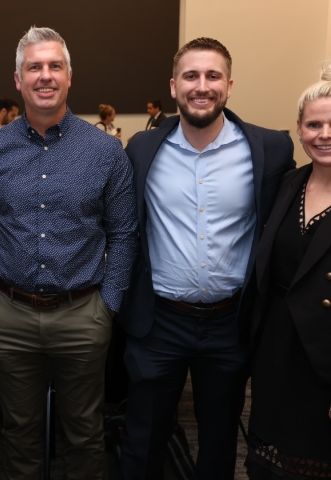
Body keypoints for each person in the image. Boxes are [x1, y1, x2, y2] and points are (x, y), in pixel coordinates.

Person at [118, 37, 295, 480]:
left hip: (230, 323)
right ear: (173, 86)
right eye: (191, 76)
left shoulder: (270, 149)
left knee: (219, 443)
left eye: (213, 76)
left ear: (229, 85)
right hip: (158, 322)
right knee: (142, 440)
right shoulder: (142, 149)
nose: (202, 86)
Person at [0, 26, 138, 479]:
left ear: (69, 77)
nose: (45, 75)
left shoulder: (106, 151)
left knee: (84, 432)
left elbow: (124, 234)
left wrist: (108, 306)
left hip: (83, 314)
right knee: (18, 431)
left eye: (54, 66)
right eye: (34, 67)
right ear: (18, 79)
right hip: (10, 314)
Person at [245, 67, 331, 479]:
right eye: (314, 125)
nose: (324, 134)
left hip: (325, 355)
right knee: (274, 462)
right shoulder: (288, 184)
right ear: (299, 129)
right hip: (278, 349)